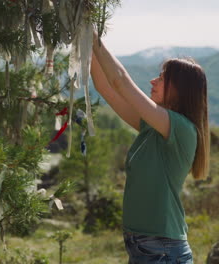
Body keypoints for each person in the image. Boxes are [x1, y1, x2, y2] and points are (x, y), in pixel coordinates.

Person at [90, 31, 210, 264]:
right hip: (146, 247)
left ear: (179, 89)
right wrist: (83, 38)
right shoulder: (151, 127)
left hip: (162, 250)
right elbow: (105, 87)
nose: (153, 81)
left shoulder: (182, 129)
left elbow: (120, 82)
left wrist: (93, 34)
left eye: (162, 78)